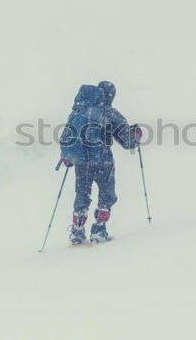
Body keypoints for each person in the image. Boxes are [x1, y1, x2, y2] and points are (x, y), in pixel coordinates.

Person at [60, 81, 142, 244]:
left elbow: (69, 136)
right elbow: (128, 142)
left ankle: (77, 231)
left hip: (82, 163)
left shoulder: (78, 111)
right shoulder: (110, 113)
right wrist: (137, 135)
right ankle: (99, 229)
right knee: (107, 195)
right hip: (103, 162)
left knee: (82, 194)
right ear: (110, 95)